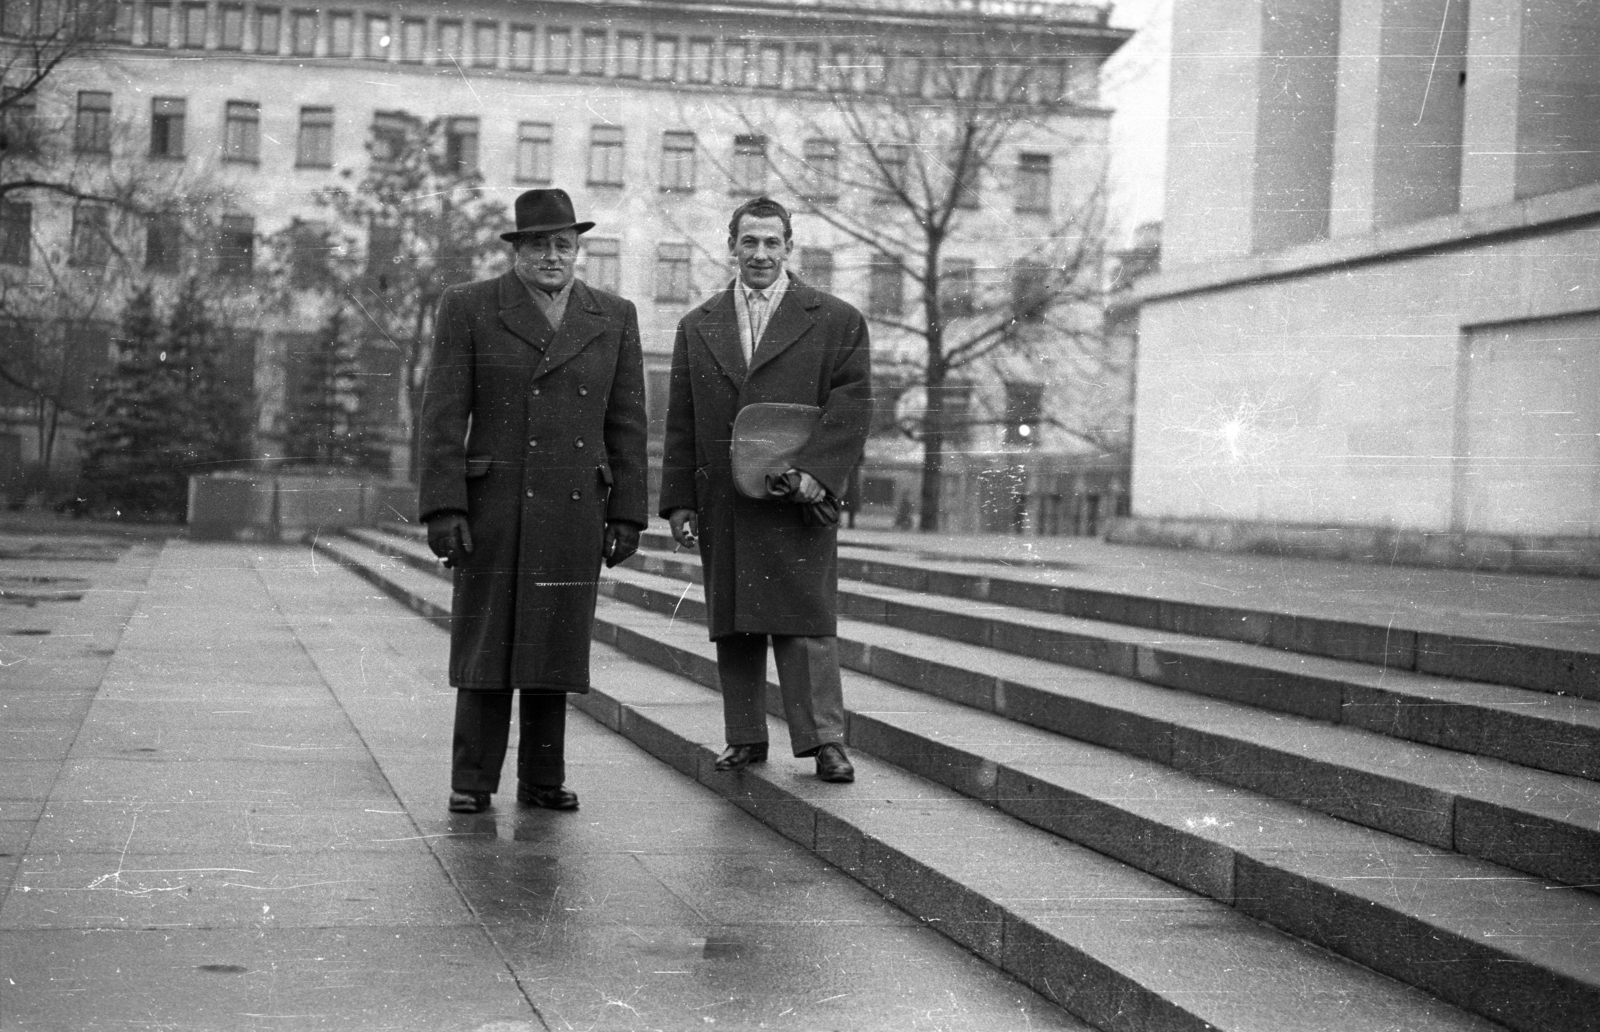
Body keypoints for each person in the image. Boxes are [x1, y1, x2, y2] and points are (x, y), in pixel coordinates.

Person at [418, 188, 648, 814]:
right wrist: (444, 506)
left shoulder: (614, 315)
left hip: (575, 508)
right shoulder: (469, 306)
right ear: (516, 250)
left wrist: (627, 512)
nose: (552, 256)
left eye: (563, 245)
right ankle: (472, 780)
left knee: (555, 643)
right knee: (487, 642)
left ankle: (543, 778)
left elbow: (627, 423)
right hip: (493, 504)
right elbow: (443, 414)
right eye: (539, 244)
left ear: (577, 251)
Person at [659, 196, 872, 783]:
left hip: (797, 497)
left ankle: (825, 742)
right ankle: (746, 736)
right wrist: (678, 500)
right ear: (732, 246)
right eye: (749, 242)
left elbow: (852, 406)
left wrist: (817, 474)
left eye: (771, 242)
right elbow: (681, 419)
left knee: (806, 621)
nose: (760, 254)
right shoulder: (697, 325)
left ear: (789, 247)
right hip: (724, 497)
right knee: (735, 622)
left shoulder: (836, 319)